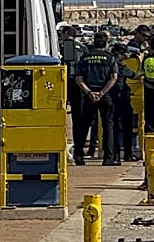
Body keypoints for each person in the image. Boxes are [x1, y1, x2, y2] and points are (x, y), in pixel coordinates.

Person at [75, 31, 119, 166]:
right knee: (108, 126)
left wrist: (89, 93)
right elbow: (114, 78)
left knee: (85, 125)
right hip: (104, 95)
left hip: (89, 96)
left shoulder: (85, 58)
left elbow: (78, 78)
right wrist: (102, 92)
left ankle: (79, 155)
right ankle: (108, 157)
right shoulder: (110, 58)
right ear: (106, 43)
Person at [58, 24, 88, 154]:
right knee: (78, 118)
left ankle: (58, 143)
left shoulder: (59, 47)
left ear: (65, 33)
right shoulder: (83, 48)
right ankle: (79, 148)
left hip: (61, 83)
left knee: (58, 115)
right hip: (79, 84)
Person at [110, 44, 138, 162]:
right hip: (123, 98)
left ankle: (114, 155)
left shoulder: (109, 65)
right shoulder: (122, 67)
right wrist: (140, 62)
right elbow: (135, 76)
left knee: (113, 127)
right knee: (127, 127)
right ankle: (128, 153)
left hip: (110, 98)